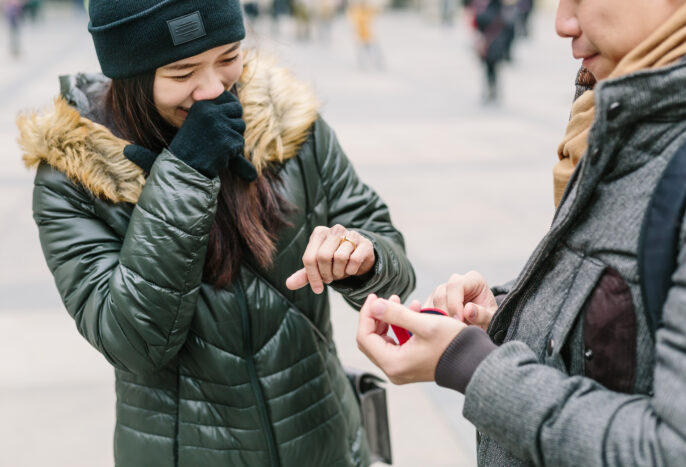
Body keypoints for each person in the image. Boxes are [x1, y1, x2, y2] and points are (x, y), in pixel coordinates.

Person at [17, 1, 415, 466]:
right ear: (131, 73)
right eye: (182, 71)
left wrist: (363, 259)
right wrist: (185, 172)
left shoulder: (287, 124)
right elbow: (133, 342)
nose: (211, 89)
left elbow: (392, 263)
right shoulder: (74, 178)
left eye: (228, 58)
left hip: (325, 439)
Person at [357, 0, 686, 465]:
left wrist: (472, 365)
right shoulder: (620, 115)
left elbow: (678, 450)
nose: (562, 23)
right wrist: (505, 315)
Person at [472, 0, 516, 103]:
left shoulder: (484, 14)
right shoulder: (505, 15)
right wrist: (507, 50)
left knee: (488, 71)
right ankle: (495, 90)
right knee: (496, 71)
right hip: (499, 48)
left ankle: (488, 90)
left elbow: (477, 24)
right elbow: (511, 32)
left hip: (488, 47)